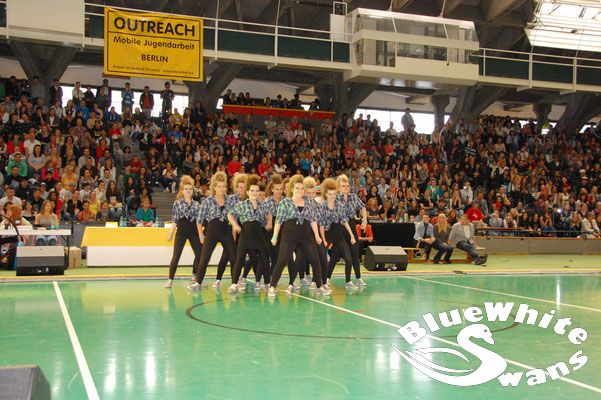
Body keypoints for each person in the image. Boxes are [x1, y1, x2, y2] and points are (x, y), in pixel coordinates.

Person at [268, 174, 330, 297]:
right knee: (282, 260)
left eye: (302, 188)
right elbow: (278, 221)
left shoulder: (309, 202)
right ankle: (272, 286)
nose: (300, 191)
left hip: (305, 236)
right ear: (292, 189)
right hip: (289, 235)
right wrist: (274, 236)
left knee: (315, 260)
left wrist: (317, 236)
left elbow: (312, 220)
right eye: (297, 188)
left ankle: (319, 286)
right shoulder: (285, 202)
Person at [188, 172, 237, 290]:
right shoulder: (207, 201)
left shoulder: (230, 201)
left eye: (224, 186)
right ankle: (198, 282)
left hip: (226, 231)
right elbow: (199, 220)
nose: (222, 189)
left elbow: (233, 218)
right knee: (204, 258)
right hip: (211, 231)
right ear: (214, 187)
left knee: (233, 258)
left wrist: (234, 233)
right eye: (219, 186)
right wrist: (201, 235)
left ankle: (234, 283)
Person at [227, 175, 272, 293]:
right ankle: (234, 284)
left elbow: (269, 215)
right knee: (239, 260)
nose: (255, 193)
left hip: (259, 235)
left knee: (264, 259)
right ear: (247, 192)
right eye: (252, 190)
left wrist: (269, 223)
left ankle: (268, 284)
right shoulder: (242, 205)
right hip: (245, 235)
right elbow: (230, 215)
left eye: (257, 191)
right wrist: (235, 225)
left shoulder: (263, 205)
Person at [165, 175, 203, 288]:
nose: (188, 191)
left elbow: (199, 221)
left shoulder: (197, 204)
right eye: (186, 189)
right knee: (176, 256)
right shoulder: (177, 203)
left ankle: (196, 278)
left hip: (193, 231)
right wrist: (171, 233)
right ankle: (170, 279)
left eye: (190, 189)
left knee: (200, 255)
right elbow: (174, 220)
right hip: (181, 231)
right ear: (182, 190)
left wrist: (200, 234)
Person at [319, 178, 357, 288]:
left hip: (337, 233)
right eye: (330, 194)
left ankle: (348, 281)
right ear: (326, 194)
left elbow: (344, 221)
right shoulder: (322, 206)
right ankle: (323, 280)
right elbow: (321, 225)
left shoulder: (340, 205)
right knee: (322, 259)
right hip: (326, 233)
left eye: (334, 194)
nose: (332, 196)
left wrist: (351, 235)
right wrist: (323, 239)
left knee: (348, 259)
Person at [337, 174, 368, 286]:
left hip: (351, 224)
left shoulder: (353, 196)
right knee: (340, 256)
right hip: (340, 227)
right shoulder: (335, 198)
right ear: (338, 187)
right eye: (343, 186)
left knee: (355, 254)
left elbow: (362, 207)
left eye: (347, 185)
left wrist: (364, 220)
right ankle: (344, 280)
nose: (346, 187)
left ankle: (358, 278)